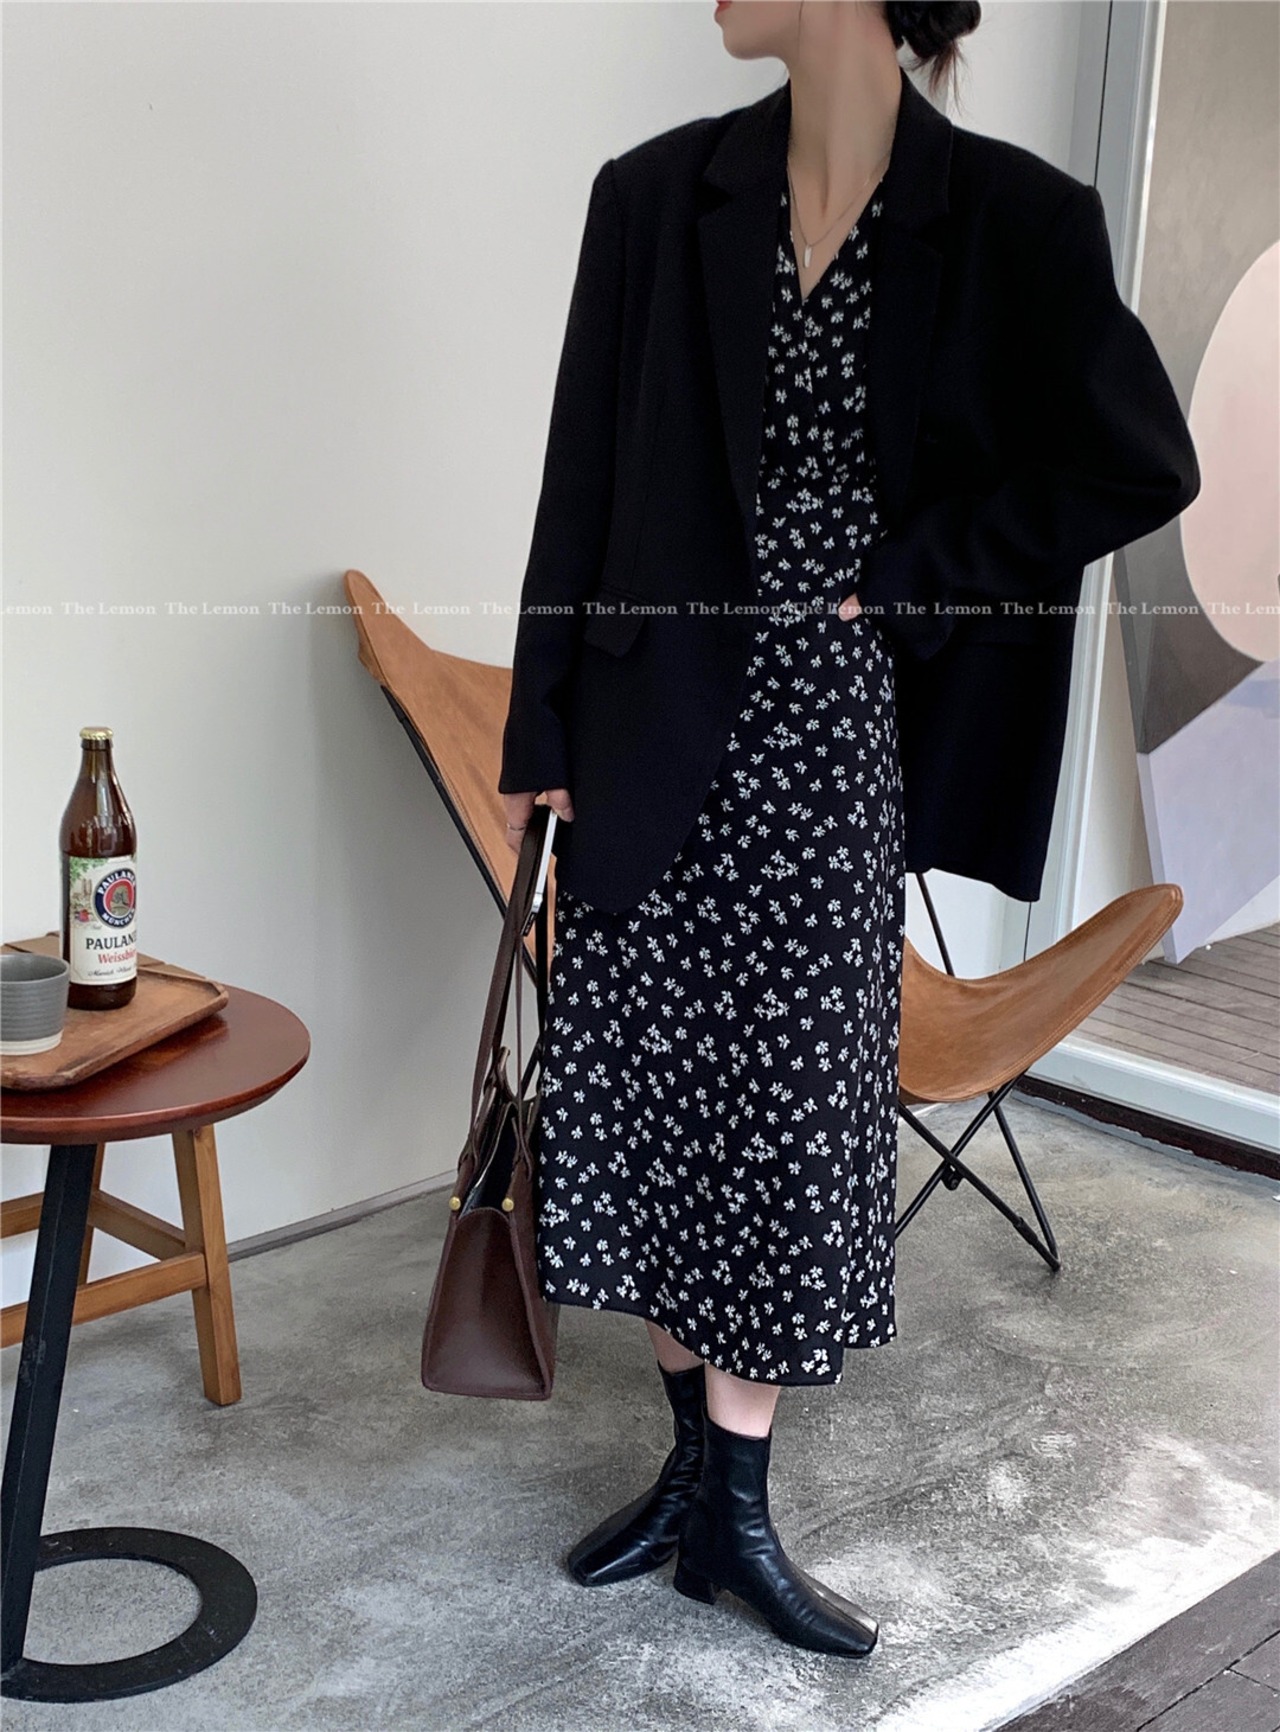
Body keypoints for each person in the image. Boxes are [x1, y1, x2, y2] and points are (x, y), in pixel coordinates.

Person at [497, 0, 1200, 1658]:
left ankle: (738, 1508)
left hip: (828, 751)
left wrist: (920, 573)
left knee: (788, 1113)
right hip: (644, 725)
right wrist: (539, 722)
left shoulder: (1017, 218)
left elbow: (1134, 461)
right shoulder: (654, 196)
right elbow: (578, 470)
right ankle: (690, 1480)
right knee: (652, 1102)